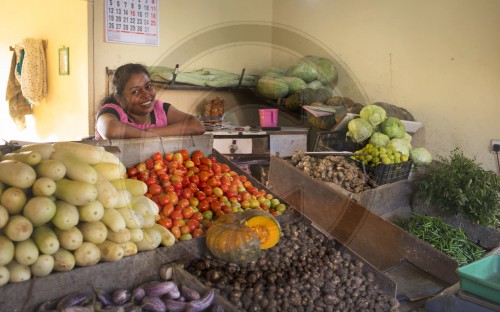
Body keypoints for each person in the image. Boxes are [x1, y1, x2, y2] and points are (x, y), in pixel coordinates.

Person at [95, 63, 205, 140]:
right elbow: (111, 130)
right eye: (135, 92)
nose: (146, 94)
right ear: (120, 99)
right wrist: (146, 136)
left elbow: (197, 126)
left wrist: (152, 133)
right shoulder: (111, 110)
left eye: (148, 86)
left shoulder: (160, 109)